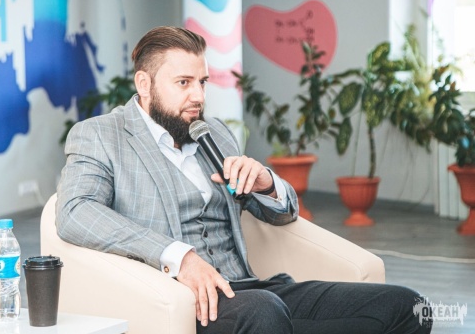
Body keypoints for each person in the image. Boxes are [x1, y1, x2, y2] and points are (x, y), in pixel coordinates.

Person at [56, 26, 432, 333]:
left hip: (253, 289)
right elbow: (75, 211)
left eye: (202, 82)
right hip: (185, 302)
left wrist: (266, 183)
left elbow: (283, 213)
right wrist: (178, 257)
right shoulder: (101, 135)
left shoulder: (215, 133)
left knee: (410, 307)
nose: (198, 96)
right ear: (144, 83)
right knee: (265, 313)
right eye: (184, 83)